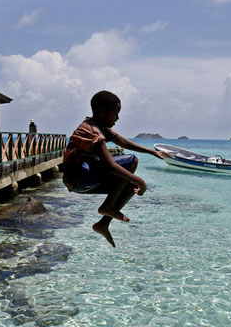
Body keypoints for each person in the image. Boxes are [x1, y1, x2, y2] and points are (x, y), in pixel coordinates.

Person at [62, 90, 172, 247]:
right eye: (115, 113)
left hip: (79, 181)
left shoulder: (98, 125)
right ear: (101, 112)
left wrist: (152, 152)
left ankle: (103, 223)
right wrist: (141, 181)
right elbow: (110, 166)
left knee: (130, 185)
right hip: (80, 179)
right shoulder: (93, 132)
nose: (118, 118)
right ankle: (107, 207)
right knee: (132, 162)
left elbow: (123, 142)